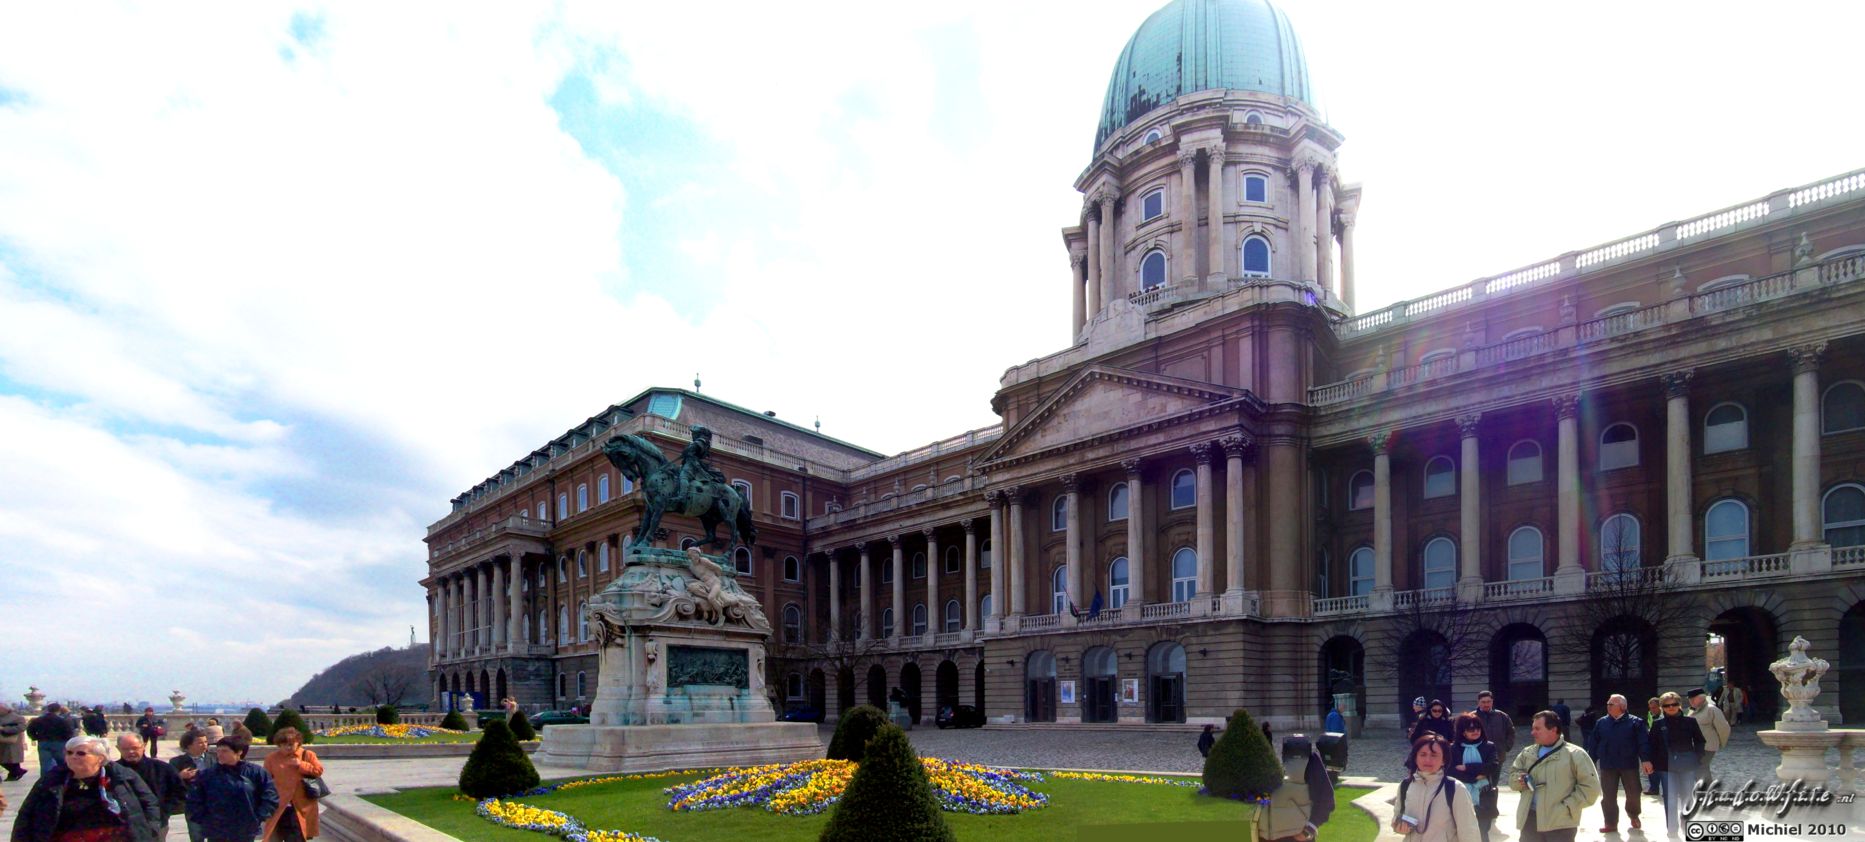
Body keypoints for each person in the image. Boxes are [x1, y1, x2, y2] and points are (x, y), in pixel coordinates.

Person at [9, 735, 164, 842]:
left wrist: (151, 831)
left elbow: (149, 803)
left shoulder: (122, 777)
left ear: (100, 758)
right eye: (69, 753)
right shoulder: (52, 780)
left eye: (81, 753)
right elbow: (26, 814)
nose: (73, 757)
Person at [1506, 710, 1600, 842]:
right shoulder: (1527, 753)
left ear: (1553, 729)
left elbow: (1591, 788)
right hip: (1530, 820)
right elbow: (1512, 776)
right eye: (1533, 728)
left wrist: (1567, 807)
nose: (1532, 732)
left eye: (1537, 728)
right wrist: (1519, 780)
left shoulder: (1576, 755)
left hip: (1561, 823)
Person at [186, 736, 277, 842]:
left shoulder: (256, 773)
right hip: (217, 831)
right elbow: (194, 799)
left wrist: (258, 817)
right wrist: (204, 819)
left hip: (245, 829)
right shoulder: (207, 775)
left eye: (224, 751)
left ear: (239, 752)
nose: (220, 754)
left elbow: (270, 796)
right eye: (218, 751)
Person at [1394, 734, 1480, 842]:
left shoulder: (1455, 788)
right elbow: (1396, 818)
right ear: (1415, 758)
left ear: (1444, 760)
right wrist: (1400, 827)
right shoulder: (1405, 785)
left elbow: (1469, 830)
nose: (1428, 760)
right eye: (1423, 754)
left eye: (1434, 755)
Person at [1643, 692, 1705, 838]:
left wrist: (1697, 757)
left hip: (1687, 766)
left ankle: (1686, 824)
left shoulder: (1690, 722)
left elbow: (1700, 741)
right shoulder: (1658, 724)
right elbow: (1651, 745)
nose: (1671, 707)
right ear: (1662, 707)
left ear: (1679, 705)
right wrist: (1649, 761)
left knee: (1687, 797)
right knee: (1670, 799)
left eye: (1674, 704)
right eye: (1667, 705)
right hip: (1666, 767)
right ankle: (1672, 830)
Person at [1583, 694, 1648, 833]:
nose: (1608, 706)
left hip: (1629, 764)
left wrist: (1646, 760)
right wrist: (1590, 761)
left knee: (1634, 793)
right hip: (1608, 765)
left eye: (1611, 704)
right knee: (1608, 796)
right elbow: (1593, 743)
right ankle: (1610, 823)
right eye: (1608, 703)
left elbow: (1643, 743)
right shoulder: (1601, 722)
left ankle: (1633, 814)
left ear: (1622, 707)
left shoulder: (1636, 722)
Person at [1256, 734, 1336, 842]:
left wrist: (1310, 829)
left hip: (1296, 837)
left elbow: (1326, 797)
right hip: (1265, 837)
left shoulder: (1311, 762)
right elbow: (1261, 797)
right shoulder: (1264, 762)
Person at [118, 733, 186, 840]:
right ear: (118, 749)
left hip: (157, 823)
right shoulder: (112, 771)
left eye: (134, 748)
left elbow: (179, 792)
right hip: (122, 825)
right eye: (125, 749)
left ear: (144, 746)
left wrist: (165, 811)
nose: (130, 752)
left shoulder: (163, 768)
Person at [259, 728, 323, 842]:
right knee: (275, 835)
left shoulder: (307, 755)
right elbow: (265, 780)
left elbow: (318, 771)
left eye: (291, 744)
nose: (288, 747)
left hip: (301, 804)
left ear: (298, 743)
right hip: (279, 804)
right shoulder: (272, 758)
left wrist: (302, 765)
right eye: (284, 745)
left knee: (298, 836)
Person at [1445, 714, 1500, 842]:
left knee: (1482, 831)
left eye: (1478, 728)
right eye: (1471, 729)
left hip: (1484, 794)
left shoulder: (1489, 746)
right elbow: (1450, 771)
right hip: (1460, 794)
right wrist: (1477, 775)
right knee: (1461, 831)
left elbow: (1492, 766)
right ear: (1463, 732)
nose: (1475, 731)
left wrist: (1466, 767)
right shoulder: (1453, 749)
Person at [168, 729, 214, 842]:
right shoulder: (177, 762)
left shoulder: (213, 758)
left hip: (213, 802)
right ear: (188, 745)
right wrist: (180, 776)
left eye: (206, 742)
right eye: (200, 742)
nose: (204, 745)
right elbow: (168, 783)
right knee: (196, 835)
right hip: (193, 804)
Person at [1686, 687, 1731, 792]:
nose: (1691, 701)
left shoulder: (1711, 709)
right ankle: (1710, 790)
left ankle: (1706, 790)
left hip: (1707, 745)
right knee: (1700, 767)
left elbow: (1724, 728)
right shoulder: (1692, 711)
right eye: (1690, 699)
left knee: (1700, 766)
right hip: (1695, 746)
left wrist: (1721, 743)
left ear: (1702, 698)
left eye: (1693, 699)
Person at [26, 704, 77, 776]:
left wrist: (35, 737)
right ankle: (62, 777)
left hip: (43, 742)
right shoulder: (63, 720)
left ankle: (45, 779)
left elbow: (30, 730)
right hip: (59, 742)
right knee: (62, 762)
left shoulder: (38, 720)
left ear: (48, 709)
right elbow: (69, 732)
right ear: (59, 710)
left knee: (45, 763)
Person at [1473, 691, 1516, 762]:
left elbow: (1511, 732)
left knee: (1496, 773)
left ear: (1492, 701)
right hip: (1477, 756)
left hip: (1498, 755)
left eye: (1488, 701)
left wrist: (1506, 747)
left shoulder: (1502, 716)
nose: (1486, 704)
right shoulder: (1472, 717)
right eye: (1483, 702)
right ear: (1478, 702)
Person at [0, 702, 28, 781]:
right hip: (2, 742)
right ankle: (16, 772)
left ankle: (16, 772)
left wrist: (4, 729)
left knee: (11, 760)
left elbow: (22, 727)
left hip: (12, 742)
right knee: (5, 760)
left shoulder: (17, 718)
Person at [1643, 697, 1663, 796]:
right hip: (1653, 744)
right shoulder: (1650, 714)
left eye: (1654, 707)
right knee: (1651, 767)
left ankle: (1666, 789)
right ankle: (1654, 788)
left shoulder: (1664, 716)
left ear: (1660, 707)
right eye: (1650, 708)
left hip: (1662, 745)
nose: (1652, 710)